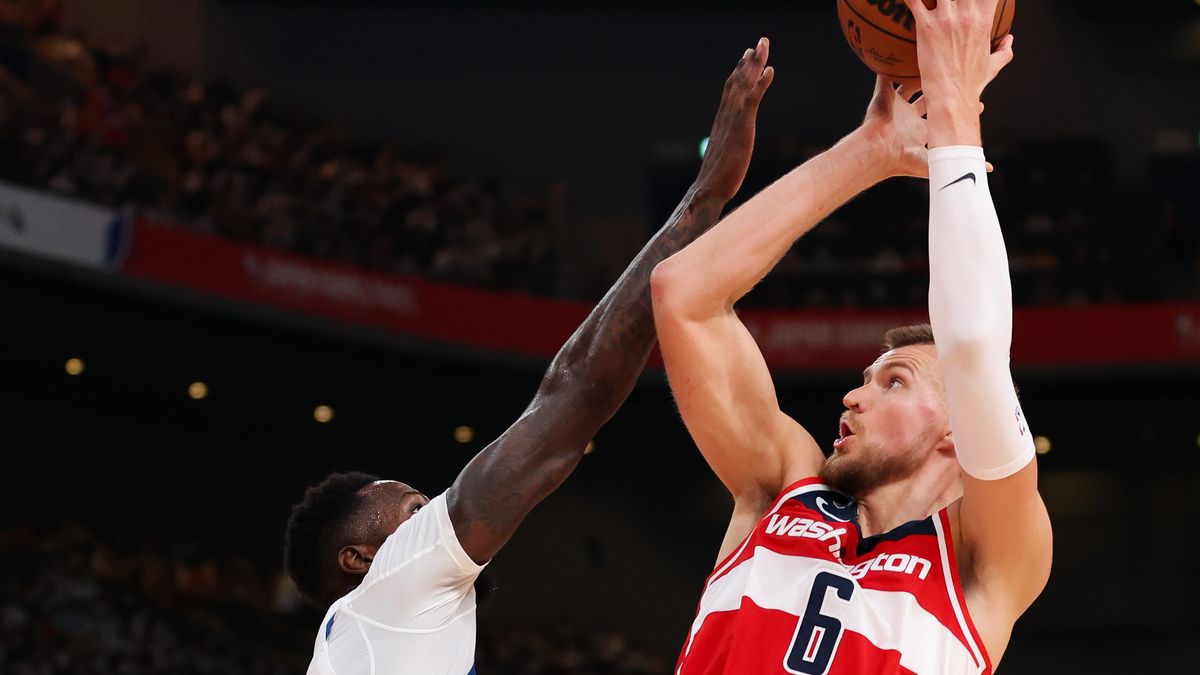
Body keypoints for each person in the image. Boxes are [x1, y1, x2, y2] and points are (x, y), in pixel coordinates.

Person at [283, 39, 777, 675]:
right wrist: (705, 196)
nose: (436, 510)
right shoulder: (395, 582)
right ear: (359, 559)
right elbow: (575, 393)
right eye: (414, 512)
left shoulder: (362, 638)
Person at [650, 2, 1051, 673]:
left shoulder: (986, 565)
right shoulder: (780, 488)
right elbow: (682, 296)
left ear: (958, 430)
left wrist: (955, 110)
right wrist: (867, 154)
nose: (852, 397)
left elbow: (975, 351)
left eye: (893, 380)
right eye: (867, 379)